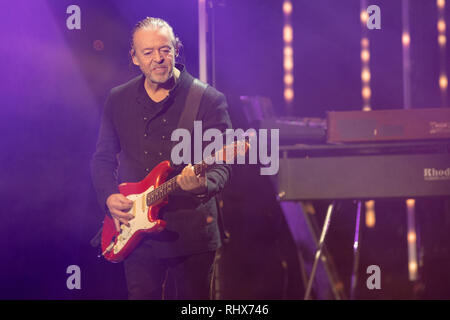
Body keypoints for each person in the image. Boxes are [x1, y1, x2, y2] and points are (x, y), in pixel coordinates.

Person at [90, 17, 232, 300]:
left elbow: (221, 167)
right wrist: (108, 196)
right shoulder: (118, 99)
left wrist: (201, 185)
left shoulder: (207, 100)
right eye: (148, 52)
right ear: (134, 58)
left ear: (176, 50)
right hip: (136, 231)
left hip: (191, 233)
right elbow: (102, 158)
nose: (158, 58)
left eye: (165, 50)